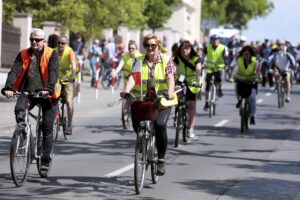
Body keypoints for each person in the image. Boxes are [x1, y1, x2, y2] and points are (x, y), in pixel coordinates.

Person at [1, 28, 60, 170]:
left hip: (48, 93)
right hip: (28, 91)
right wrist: (9, 87)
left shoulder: (51, 54)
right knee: (20, 110)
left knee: (47, 126)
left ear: (44, 41)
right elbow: (14, 70)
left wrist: (49, 89)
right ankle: (23, 133)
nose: (34, 41)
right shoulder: (23, 54)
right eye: (32, 39)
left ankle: (45, 158)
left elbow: (53, 72)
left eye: (38, 39)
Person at [121, 34, 176, 176]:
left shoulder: (166, 60)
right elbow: (133, 77)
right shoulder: (139, 60)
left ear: (158, 46)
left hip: (162, 101)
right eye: (147, 45)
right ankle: (143, 143)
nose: (150, 48)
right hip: (143, 100)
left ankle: (161, 160)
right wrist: (126, 91)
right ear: (144, 47)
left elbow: (170, 77)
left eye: (153, 45)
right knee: (137, 124)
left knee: (159, 125)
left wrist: (170, 92)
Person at [173, 40, 202, 138]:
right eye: (183, 48)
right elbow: (174, 70)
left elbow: (198, 70)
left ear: (191, 49)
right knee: (177, 93)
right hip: (181, 78)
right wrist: (174, 81)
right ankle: (178, 109)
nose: (185, 50)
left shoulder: (196, 58)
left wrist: (197, 81)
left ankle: (190, 129)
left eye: (187, 48)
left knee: (192, 105)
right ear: (180, 49)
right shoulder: (177, 58)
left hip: (193, 81)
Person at [231, 45, 259, 125]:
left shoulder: (255, 61)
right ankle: (239, 100)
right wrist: (232, 77)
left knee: (252, 98)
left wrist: (258, 77)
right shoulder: (239, 60)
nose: (246, 55)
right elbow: (235, 69)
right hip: (241, 80)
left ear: (251, 54)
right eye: (244, 54)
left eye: (248, 54)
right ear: (242, 54)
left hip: (252, 81)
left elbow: (258, 71)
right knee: (236, 87)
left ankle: (253, 116)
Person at [56, 36, 77, 134]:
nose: (60, 45)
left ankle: (69, 124)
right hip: (56, 80)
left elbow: (73, 64)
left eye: (63, 43)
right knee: (52, 99)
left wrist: (73, 75)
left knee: (69, 101)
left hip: (68, 80)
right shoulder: (53, 51)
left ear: (66, 44)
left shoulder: (69, 51)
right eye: (59, 42)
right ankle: (55, 116)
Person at [203, 34, 229, 111]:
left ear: (219, 40)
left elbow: (225, 57)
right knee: (207, 86)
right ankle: (207, 102)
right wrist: (200, 62)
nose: (215, 41)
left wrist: (226, 63)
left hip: (219, 67)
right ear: (211, 40)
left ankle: (220, 89)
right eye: (213, 40)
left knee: (219, 79)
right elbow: (203, 56)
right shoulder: (207, 47)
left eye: (216, 40)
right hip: (209, 68)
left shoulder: (222, 48)